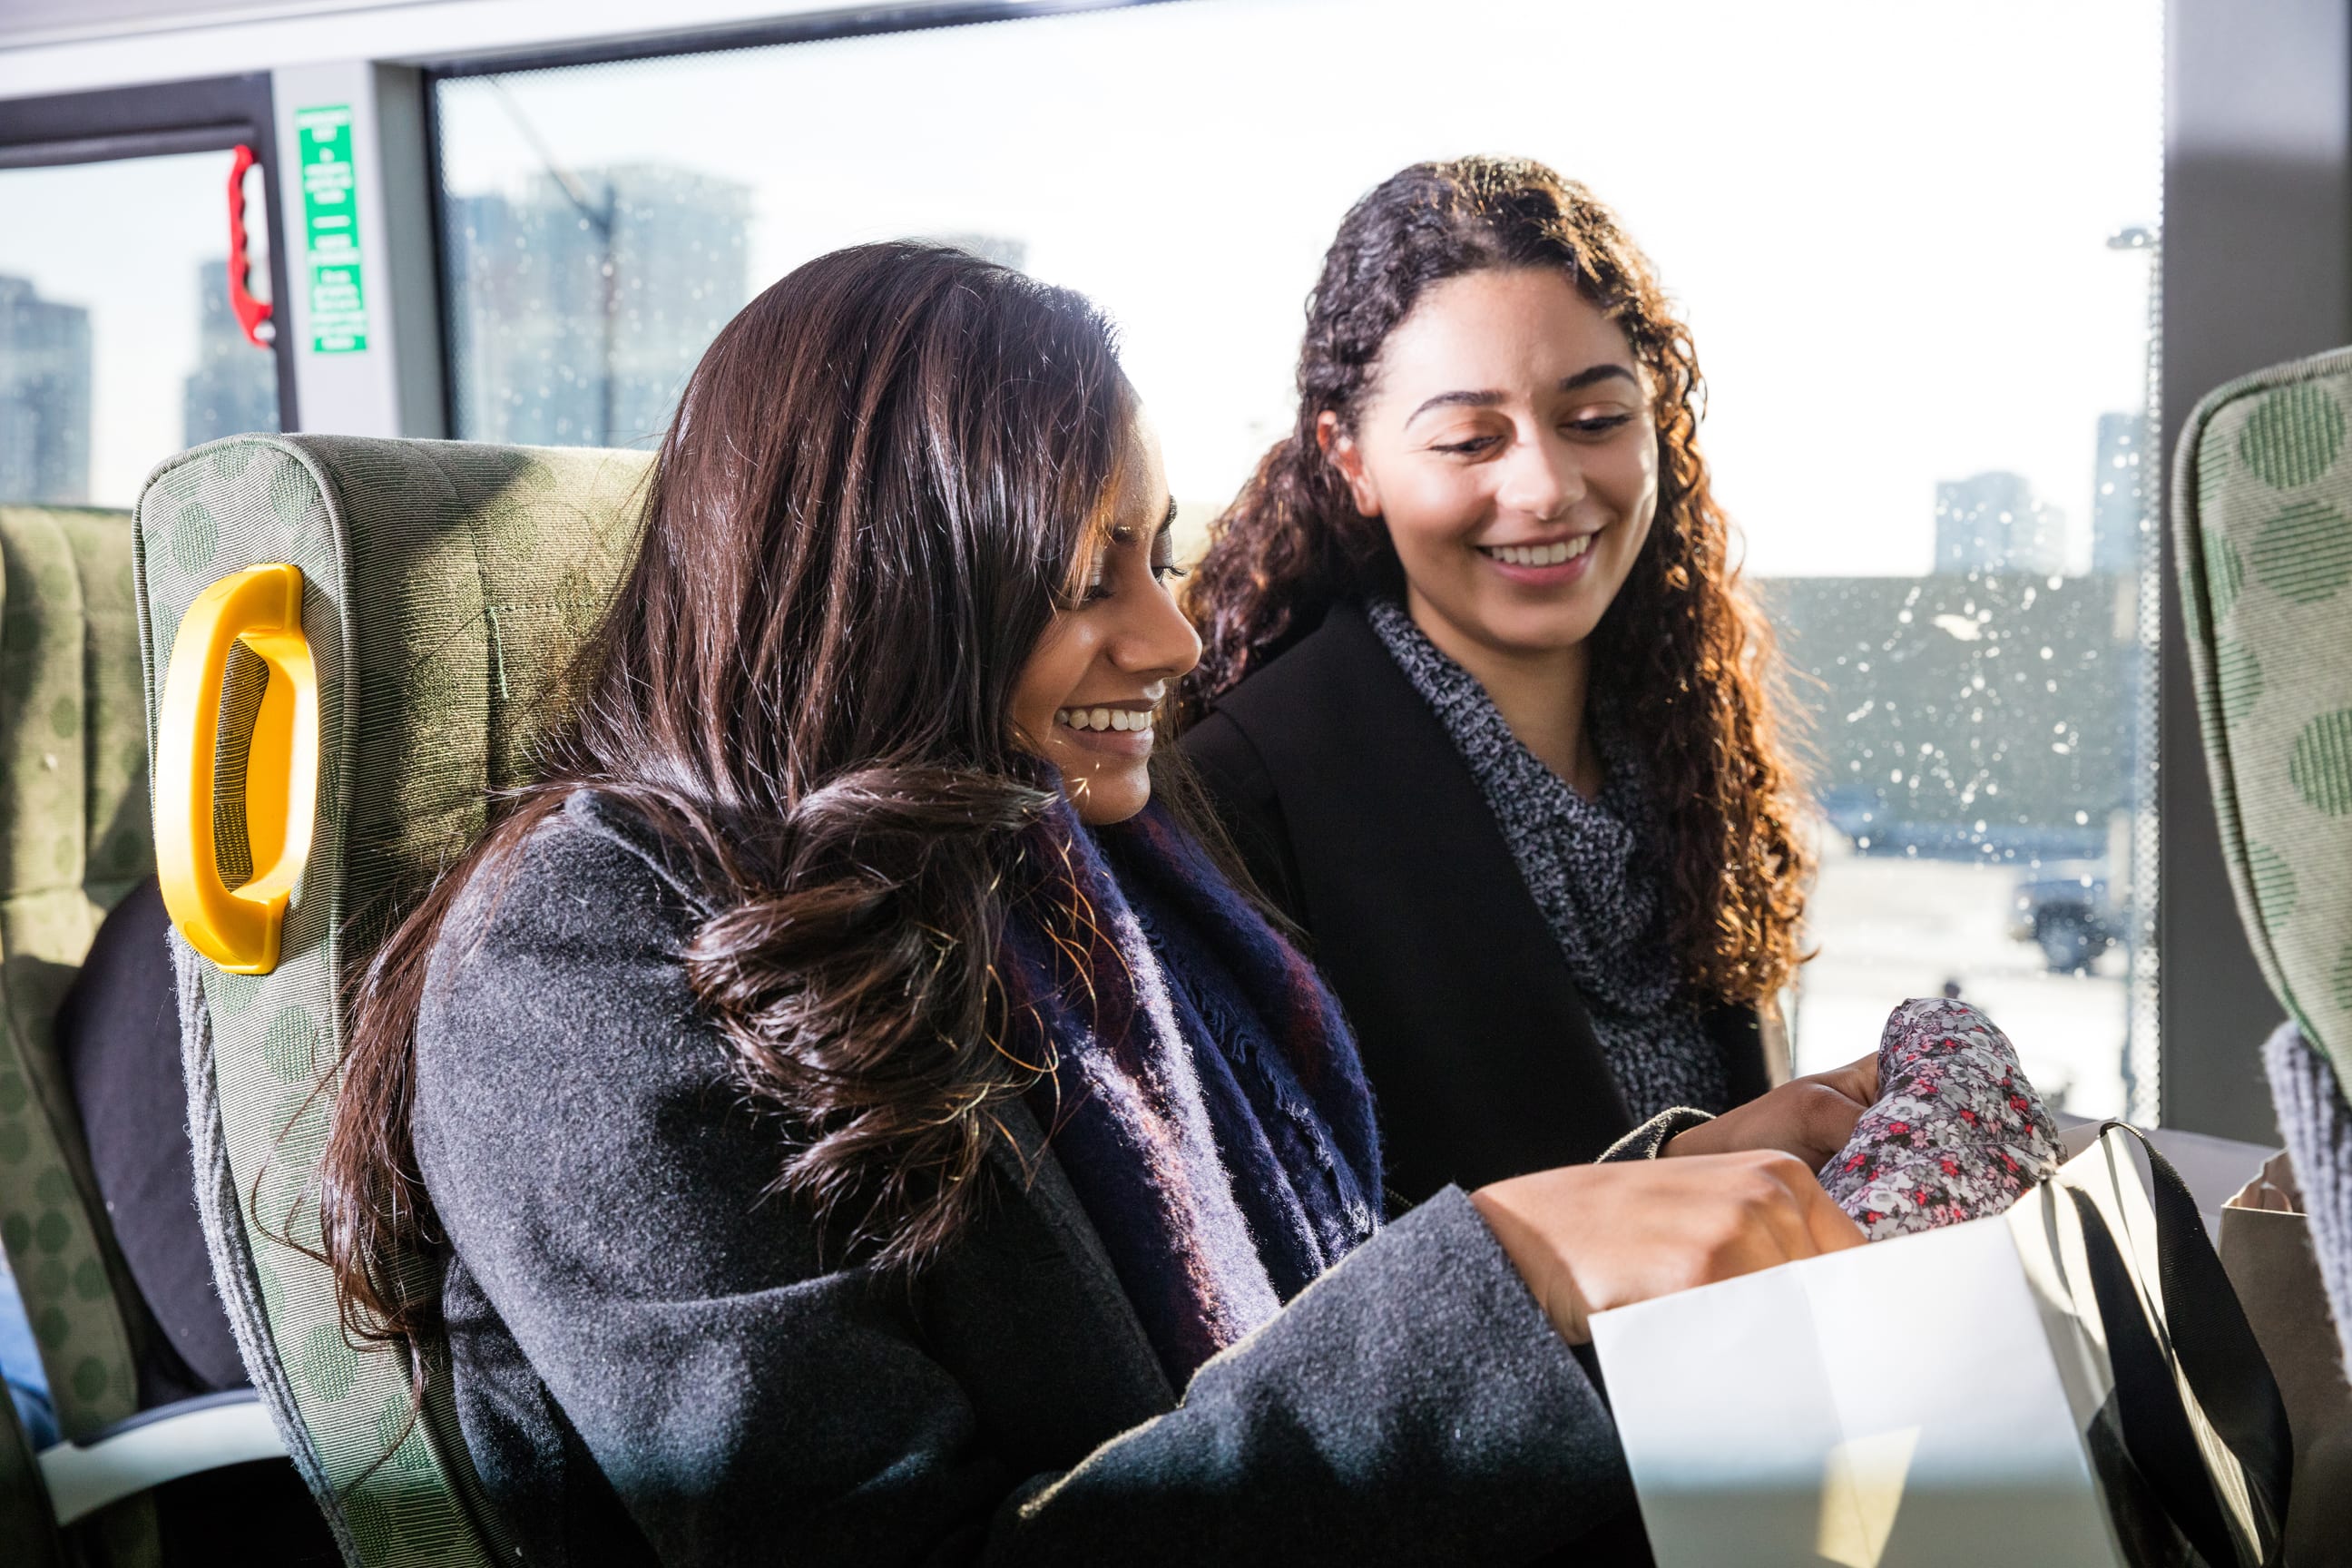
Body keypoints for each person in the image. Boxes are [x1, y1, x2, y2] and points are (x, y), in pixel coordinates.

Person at [316, 242, 1864, 1566]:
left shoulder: (1072, 872)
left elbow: (1300, 1311)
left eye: (1163, 551)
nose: (1174, 635)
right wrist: (1509, 1270)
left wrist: (1662, 1189)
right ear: (897, 587)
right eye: (1088, 574)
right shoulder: (579, 965)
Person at [1181, 157, 1869, 1204]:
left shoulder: (1682, 739)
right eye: (1468, 440)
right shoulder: (1241, 801)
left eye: (1595, 421)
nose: (1546, 488)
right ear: (1350, 460)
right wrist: (1664, 1187)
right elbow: (1278, 1298)